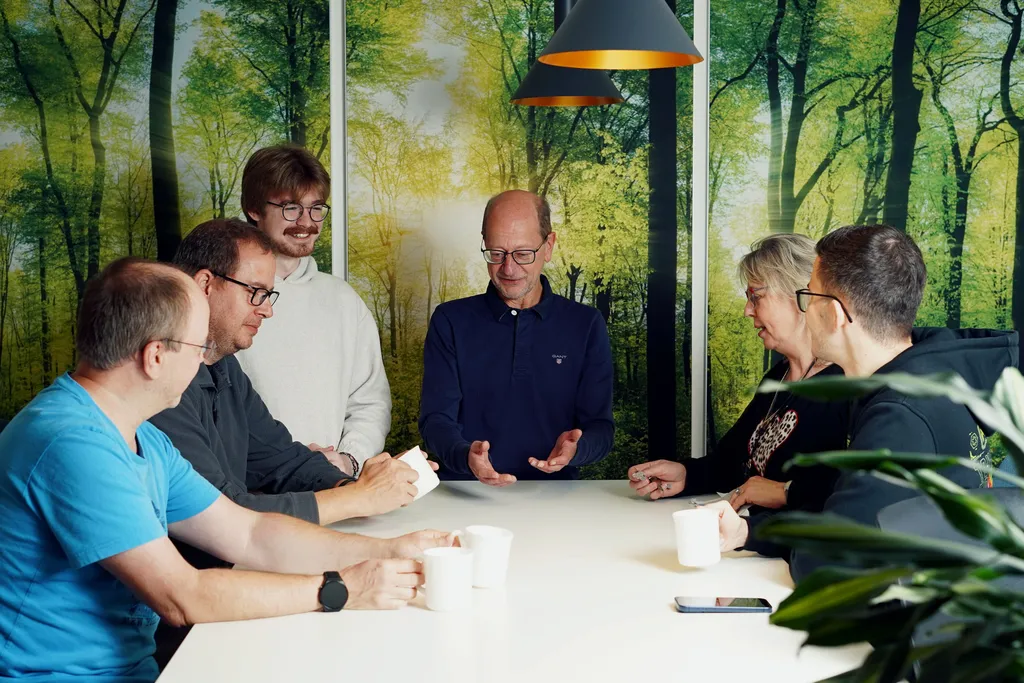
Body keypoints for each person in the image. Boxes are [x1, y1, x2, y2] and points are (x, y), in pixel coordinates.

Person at [0, 258, 454, 681]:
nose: (204, 360)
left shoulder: (143, 438)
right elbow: (182, 596)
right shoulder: (73, 444)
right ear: (155, 356)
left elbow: (249, 533)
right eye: (199, 346)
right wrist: (340, 589)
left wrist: (388, 550)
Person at [711, 225, 1018, 579]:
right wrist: (748, 532)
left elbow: (825, 564)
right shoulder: (925, 381)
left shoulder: (899, 418)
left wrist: (761, 534)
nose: (805, 310)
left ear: (835, 314)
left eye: (808, 296)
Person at [150, 219, 418, 548]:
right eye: (255, 293)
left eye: (268, 295)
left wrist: (352, 486)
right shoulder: (159, 382)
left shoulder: (225, 367)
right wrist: (358, 498)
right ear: (205, 283)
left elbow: (282, 460)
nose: (267, 311)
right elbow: (221, 515)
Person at [627, 234, 845, 554]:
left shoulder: (845, 387)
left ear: (801, 295)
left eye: (756, 296)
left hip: (794, 560)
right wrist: (685, 475)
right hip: (753, 552)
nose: (747, 310)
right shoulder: (778, 378)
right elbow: (730, 463)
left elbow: (841, 501)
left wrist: (781, 494)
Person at [419, 190, 614, 484]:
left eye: (523, 254)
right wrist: (465, 456)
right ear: (484, 243)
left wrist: (577, 449)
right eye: (496, 253)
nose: (508, 269)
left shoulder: (585, 324)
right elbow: (435, 420)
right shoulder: (450, 320)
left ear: (548, 246)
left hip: (557, 496)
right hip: (465, 492)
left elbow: (601, 428)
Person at [235, 144, 391, 476]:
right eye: (290, 207)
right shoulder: (222, 298)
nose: (306, 222)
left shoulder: (344, 301)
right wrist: (281, 465)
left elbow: (370, 402)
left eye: (316, 208)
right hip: (246, 492)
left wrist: (348, 459)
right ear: (254, 209)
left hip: (330, 486)